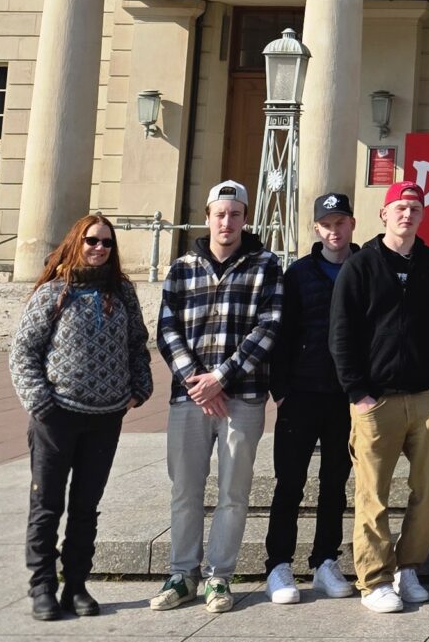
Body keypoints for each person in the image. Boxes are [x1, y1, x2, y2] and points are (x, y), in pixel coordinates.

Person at [332, 180, 429, 615]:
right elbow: (342, 332)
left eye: (415, 208)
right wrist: (358, 392)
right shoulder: (361, 265)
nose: (407, 214)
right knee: (373, 494)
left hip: (426, 396)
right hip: (376, 400)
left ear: (422, 215)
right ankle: (374, 580)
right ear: (384, 214)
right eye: (400, 208)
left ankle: (408, 567)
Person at [151, 180, 285, 615]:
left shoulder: (265, 265)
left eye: (235, 214)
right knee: (185, 489)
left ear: (246, 218)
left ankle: (219, 576)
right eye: (220, 214)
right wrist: (197, 381)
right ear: (207, 217)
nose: (227, 222)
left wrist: (221, 378)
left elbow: (269, 326)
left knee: (233, 491)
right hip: (189, 398)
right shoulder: (182, 267)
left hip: (242, 397)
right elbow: (167, 328)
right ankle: (182, 573)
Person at [10, 212, 152, 621]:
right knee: (47, 505)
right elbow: (23, 351)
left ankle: (76, 584)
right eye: (92, 240)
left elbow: (137, 344)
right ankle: (42, 586)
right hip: (56, 417)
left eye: (107, 242)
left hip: (105, 419)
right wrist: (39, 402)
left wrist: (139, 388)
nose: (99, 248)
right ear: (77, 242)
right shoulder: (53, 292)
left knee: (86, 507)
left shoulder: (121, 292)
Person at [261, 192, 359, 605]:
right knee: (290, 482)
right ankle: (278, 564)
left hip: (345, 396)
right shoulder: (298, 273)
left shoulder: (365, 267)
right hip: (300, 394)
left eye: (341, 222)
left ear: (352, 224)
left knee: (335, 483)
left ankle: (324, 561)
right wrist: (281, 390)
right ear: (317, 229)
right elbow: (280, 334)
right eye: (327, 224)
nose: (334, 231)